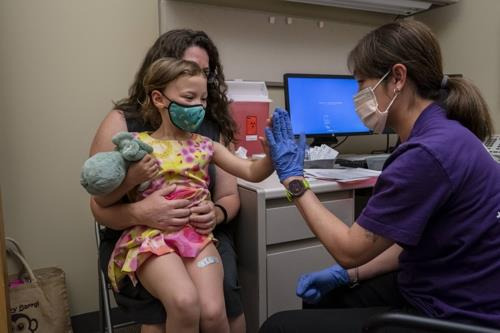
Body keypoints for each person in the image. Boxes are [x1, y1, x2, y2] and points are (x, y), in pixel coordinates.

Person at [260, 20, 500, 332]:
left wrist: (293, 180)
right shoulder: (446, 133)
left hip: (456, 312)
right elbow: (412, 239)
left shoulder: (426, 153)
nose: (357, 96)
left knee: (278, 326)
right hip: (451, 282)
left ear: (398, 77)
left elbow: (349, 250)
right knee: (325, 299)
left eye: (361, 83)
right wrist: (349, 276)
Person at [93, 57, 273, 333]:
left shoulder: (207, 145)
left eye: (203, 99)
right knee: (184, 302)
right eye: (189, 97)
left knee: (213, 312)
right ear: (159, 99)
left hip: (196, 236)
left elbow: (251, 171)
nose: (198, 107)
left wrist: (272, 155)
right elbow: (102, 200)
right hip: (151, 237)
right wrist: (133, 178)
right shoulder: (137, 146)